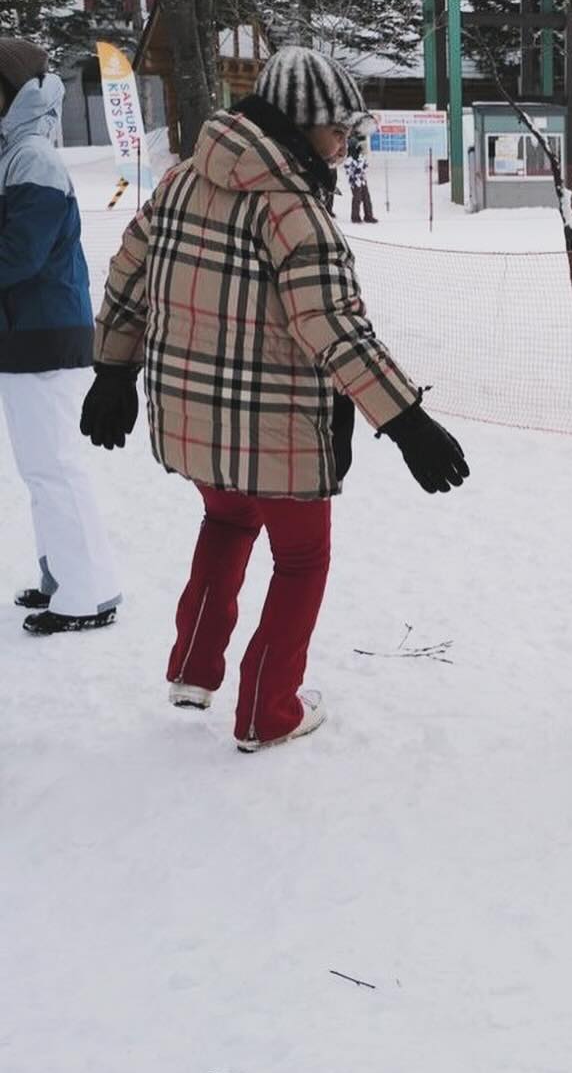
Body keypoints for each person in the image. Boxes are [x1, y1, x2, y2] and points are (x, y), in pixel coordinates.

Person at [83, 45, 469, 752]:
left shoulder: (181, 182)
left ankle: (194, 670)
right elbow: (334, 327)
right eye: (335, 130)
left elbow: (128, 273)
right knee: (300, 562)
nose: (343, 143)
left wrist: (113, 369)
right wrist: (407, 421)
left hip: (195, 421)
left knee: (227, 523)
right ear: (296, 126)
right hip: (278, 430)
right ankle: (269, 710)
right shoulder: (292, 210)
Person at [0, 36, 123, 635]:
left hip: (46, 332)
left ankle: (89, 592)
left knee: (55, 466)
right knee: (39, 468)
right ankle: (62, 575)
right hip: (27, 335)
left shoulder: (33, 158)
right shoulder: (16, 151)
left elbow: (19, 255)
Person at [344, 131, 377, 224]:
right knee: (357, 198)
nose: (359, 148)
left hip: (362, 180)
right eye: (357, 147)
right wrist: (356, 172)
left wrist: (362, 169)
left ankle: (368, 216)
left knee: (366, 197)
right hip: (354, 181)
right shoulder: (349, 159)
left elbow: (365, 165)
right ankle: (355, 217)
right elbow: (348, 170)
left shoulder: (360, 157)